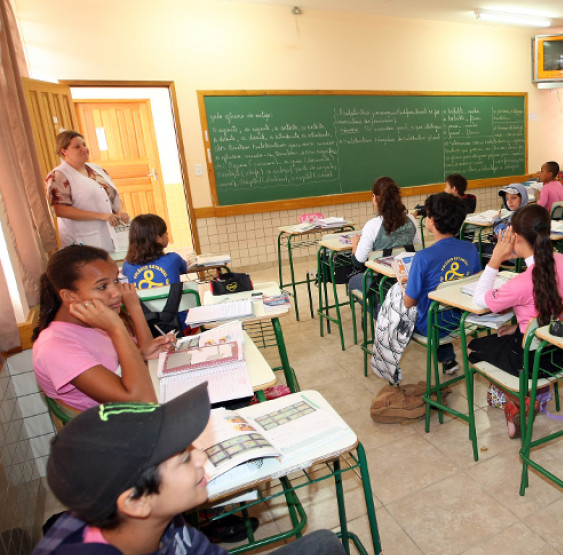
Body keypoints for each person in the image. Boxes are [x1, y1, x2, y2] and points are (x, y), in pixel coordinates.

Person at [34, 384, 345, 555]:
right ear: (136, 502)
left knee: (324, 544)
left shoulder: (161, 517)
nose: (200, 457)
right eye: (183, 459)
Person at [470, 204, 563, 437]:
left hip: (530, 363)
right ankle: (533, 396)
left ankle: (519, 400)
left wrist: (495, 260)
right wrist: (520, 326)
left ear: (516, 238)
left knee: (474, 348)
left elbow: (479, 300)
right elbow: (549, 310)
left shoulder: (522, 282)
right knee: (503, 339)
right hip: (560, 354)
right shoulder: (562, 260)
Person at [32, 245, 172, 412]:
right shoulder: (55, 347)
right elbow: (142, 402)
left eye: (116, 280)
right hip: (120, 424)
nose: (116, 293)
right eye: (102, 287)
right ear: (69, 296)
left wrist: (141, 355)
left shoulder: (93, 323)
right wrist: (116, 328)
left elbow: (118, 368)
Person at [403, 193, 481, 375]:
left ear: (433, 220)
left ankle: (389, 349)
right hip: (463, 319)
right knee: (435, 303)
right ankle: (447, 358)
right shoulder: (471, 249)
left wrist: (408, 284)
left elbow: (408, 303)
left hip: (431, 326)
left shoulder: (423, 257)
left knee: (381, 303)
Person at [46, 130, 129, 252]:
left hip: (110, 233)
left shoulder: (97, 169)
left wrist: (121, 210)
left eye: (84, 145)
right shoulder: (58, 176)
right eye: (77, 147)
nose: (84, 149)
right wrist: (101, 216)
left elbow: (112, 196)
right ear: (64, 151)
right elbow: (61, 210)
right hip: (82, 238)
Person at [348, 177, 420, 298]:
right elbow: (417, 248)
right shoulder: (411, 219)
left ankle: (377, 306)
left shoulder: (372, 225)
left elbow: (358, 261)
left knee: (353, 282)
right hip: (408, 279)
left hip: (380, 282)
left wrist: (355, 243)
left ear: (374, 198)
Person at [122, 214, 187, 289]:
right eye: (165, 232)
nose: (167, 234)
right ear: (158, 238)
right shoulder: (174, 259)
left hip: (141, 297)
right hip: (173, 297)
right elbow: (184, 269)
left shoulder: (127, 265)